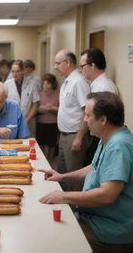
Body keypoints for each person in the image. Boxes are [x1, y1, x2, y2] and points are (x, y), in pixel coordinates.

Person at [38, 92, 133, 253]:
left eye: (88, 115)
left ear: (103, 120)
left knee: (51, 240)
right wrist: (61, 177)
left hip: (110, 231)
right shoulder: (108, 137)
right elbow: (93, 168)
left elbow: (107, 195)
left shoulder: (118, 146)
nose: (84, 119)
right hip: (94, 218)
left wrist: (64, 196)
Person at [54, 49, 90, 191]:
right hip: (64, 135)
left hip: (74, 136)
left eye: (57, 63)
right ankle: (65, 205)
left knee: (74, 175)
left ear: (67, 63)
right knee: (62, 173)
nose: (55, 67)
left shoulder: (79, 82)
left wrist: (79, 137)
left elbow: (86, 112)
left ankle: (77, 209)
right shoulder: (66, 82)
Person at [80, 48, 119, 165]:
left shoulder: (104, 87)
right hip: (98, 134)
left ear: (92, 65)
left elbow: (105, 118)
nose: (81, 70)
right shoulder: (96, 84)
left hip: (103, 135)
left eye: (82, 66)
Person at [5, 60, 40, 136]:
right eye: (13, 71)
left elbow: (35, 104)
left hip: (28, 120)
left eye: (17, 71)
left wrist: (27, 120)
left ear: (23, 71)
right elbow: (4, 103)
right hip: (12, 121)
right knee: (13, 143)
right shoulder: (7, 84)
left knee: (28, 144)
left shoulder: (32, 84)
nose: (15, 74)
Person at [36, 73, 59, 164]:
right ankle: (43, 162)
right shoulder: (39, 94)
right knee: (41, 143)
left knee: (51, 144)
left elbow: (62, 110)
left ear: (53, 84)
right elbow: (34, 109)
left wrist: (53, 109)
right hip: (41, 123)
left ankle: (50, 161)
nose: (45, 86)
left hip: (53, 123)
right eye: (44, 83)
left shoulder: (58, 94)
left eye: (48, 83)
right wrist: (40, 109)